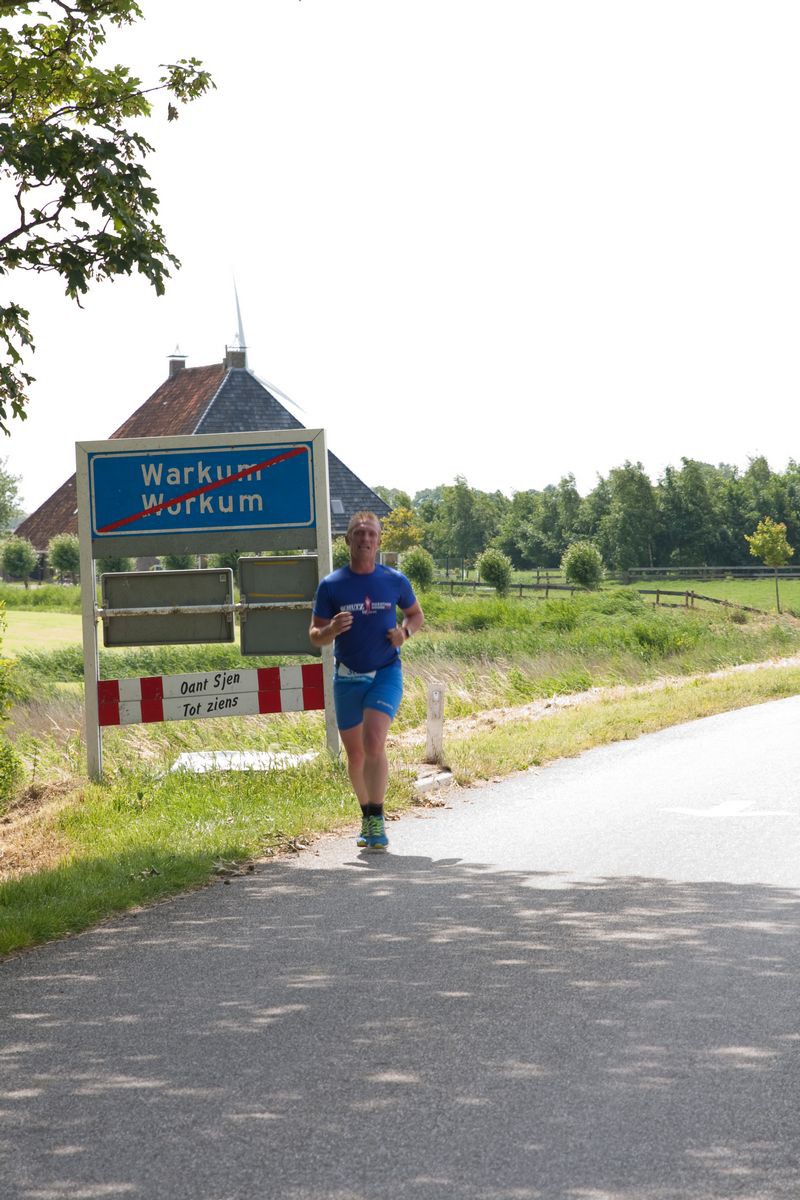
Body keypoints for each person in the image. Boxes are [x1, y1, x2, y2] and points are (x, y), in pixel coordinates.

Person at [309, 511, 424, 850]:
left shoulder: (395, 580)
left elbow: (415, 615)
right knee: (356, 755)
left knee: (374, 741)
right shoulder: (331, 585)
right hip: (347, 677)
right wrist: (331, 629)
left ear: (379, 541)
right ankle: (366, 816)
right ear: (348, 540)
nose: (365, 539)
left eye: (371, 533)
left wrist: (404, 633)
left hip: (386, 672)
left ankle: (377, 816)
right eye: (359, 533)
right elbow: (314, 635)